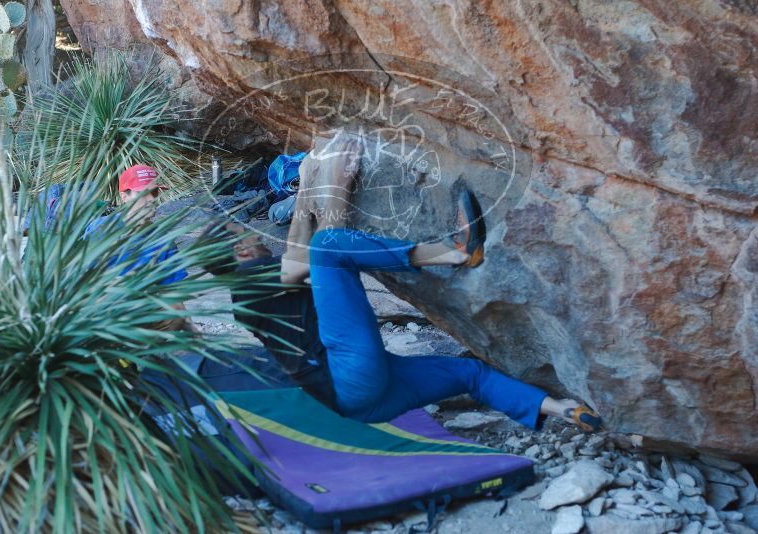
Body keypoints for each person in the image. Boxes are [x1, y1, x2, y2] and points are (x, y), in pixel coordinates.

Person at [202, 142, 602, 432]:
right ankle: (454, 252)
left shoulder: (257, 282)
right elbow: (322, 246)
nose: (254, 235)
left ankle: (562, 409)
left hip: (362, 404)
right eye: (244, 233)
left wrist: (309, 178)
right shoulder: (246, 287)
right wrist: (339, 181)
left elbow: (295, 242)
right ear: (236, 248)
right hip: (348, 375)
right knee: (329, 247)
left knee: (469, 374)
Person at [85, 164, 195, 332]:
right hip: (104, 310)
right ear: (124, 197)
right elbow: (80, 280)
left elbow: (174, 296)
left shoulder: (163, 239)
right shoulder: (100, 230)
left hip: (144, 311)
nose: (151, 199)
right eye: (143, 193)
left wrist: (192, 336)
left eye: (154, 192)